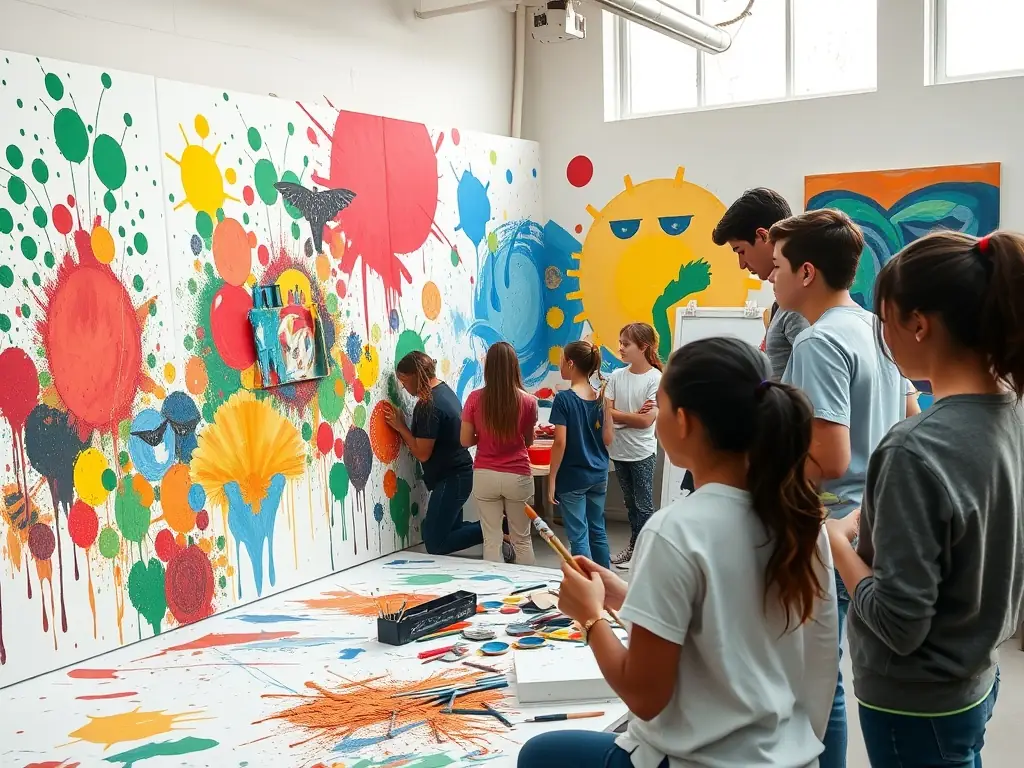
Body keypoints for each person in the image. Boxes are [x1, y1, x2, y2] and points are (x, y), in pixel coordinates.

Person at [518, 337, 838, 768]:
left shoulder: (674, 530)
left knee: (539, 754)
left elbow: (645, 697)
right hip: (792, 756)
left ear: (683, 422)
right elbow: (814, 661)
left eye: (661, 408)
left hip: (694, 761)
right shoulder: (802, 519)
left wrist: (591, 617)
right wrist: (628, 597)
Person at [826, 230, 1024, 768]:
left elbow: (898, 623)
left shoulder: (913, 446)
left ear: (918, 323)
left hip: (915, 704)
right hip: (978, 673)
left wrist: (836, 543)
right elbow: (966, 516)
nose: (882, 336)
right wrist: (877, 513)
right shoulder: (1011, 414)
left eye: (884, 319)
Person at [769, 208, 912, 768]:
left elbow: (827, 456)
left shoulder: (819, 343)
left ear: (806, 272)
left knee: (816, 686)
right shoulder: (874, 329)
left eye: (777, 265)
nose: (770, 277)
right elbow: (904, 414)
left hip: (830, 528)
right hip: (869, 516)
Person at [386, 351, 482, 555]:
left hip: (453, 478)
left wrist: (401, 426)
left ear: (415, 376)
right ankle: (496, 529)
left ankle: (497, 529)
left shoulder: (428, 405)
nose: (404, 387)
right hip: (460, 474)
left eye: (404, 381)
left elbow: (422, 454)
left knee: (436, 543)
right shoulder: (443, 390)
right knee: (450, 531)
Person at [713, 187, 809, 378]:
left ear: (763, 236)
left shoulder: (800, 306)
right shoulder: (784, 304)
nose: (741, 264)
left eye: (741, 251)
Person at [461, 341, 539, 565]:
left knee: (492, 540)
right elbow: (528, 441)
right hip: (518, 475)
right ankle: (528, 593)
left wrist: (483, 437)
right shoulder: (528, 401)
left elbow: (465, 440)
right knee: (522, 540)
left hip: (485, 474)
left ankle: (495, 594)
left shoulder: (474, 399)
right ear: (514, 366)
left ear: (488, 368)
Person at [548, 341, 614, 569]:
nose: (560, 367)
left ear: (571, 363)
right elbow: (608, 438)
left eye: (561, 362)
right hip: (599, 474)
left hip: (573, 477)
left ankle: (586, 585)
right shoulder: (600, 396)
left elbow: (560, 442)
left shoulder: (564, 399)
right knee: (598, 530)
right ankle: (606, 583)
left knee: (578, 536)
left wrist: (552, 478)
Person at [606, 323, 663, 570]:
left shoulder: (656, 379)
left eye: (626, 344)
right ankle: (635, 549)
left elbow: (645, 421)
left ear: (643, 347)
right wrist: (628, 416)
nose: (620, 348)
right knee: (631, 505)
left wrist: (618, 415)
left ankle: (644, 553)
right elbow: (605, 412)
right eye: (620, 342)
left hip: (642, 453)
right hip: (619, 452)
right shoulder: (617, 376)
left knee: (644, 506)